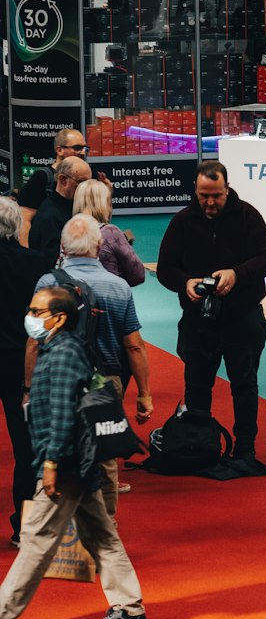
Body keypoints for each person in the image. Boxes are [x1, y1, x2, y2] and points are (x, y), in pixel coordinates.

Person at [0, 286, 149, 619]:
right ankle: (130, 610)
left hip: (65, 463)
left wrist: (50, 462)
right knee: (102, 536)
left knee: (37, 539)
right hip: (78, 461)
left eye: (37, 311)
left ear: (60, 318)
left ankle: (3, 614)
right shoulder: (61, 347)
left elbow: (64, 413)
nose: (31, 317)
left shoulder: (63, 353)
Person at [31, 215, 154, 516]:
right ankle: (106, 522)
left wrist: (29, 388)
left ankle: (65, 528)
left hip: (57, 379)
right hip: (106, 382)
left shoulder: (48, 283)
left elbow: (35, 340)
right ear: (99, 246)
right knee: (105, 457)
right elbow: (134, 345)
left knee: (56, 450)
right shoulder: (119, 286)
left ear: (63, 246)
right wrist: (144, 393)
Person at [156, 160, 266, 468]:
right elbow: (166, 269)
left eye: (216, 195)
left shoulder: (249, 217)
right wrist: (186, 283)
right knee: (196, 385)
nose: (210, 202)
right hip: (199, 320)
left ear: (227, 188)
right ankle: (198, 445)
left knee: (244, 384)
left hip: (243, 317)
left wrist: (236, 274)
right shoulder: (181, 222)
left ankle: (245, 449)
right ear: (195, 190)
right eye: (204, 195)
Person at [0, 200, 48, 547]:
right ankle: (25, 529)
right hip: (20, 365)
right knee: (26, 449)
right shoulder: (35, 265)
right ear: (17, 227)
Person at [16, 128, 103, 244]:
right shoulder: (41, 178)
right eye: (77, 148)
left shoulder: (87, 173)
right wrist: (26, 255)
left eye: (85, 148)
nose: (83, 152)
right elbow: (24, 219)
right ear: (60, 150)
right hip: (47, 244)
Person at [73, 179, 145, 287]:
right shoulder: (111, 232)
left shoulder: (68, 232)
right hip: (108, 298)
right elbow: (138, 275)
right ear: (104, 205)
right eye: (109, 202)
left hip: (76, 300)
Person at [27, 156, 91, 267]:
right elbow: (53, 263)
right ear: (63, 179)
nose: (86, 189)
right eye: (81, 182)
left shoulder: (71, 206)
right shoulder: (48, 217)